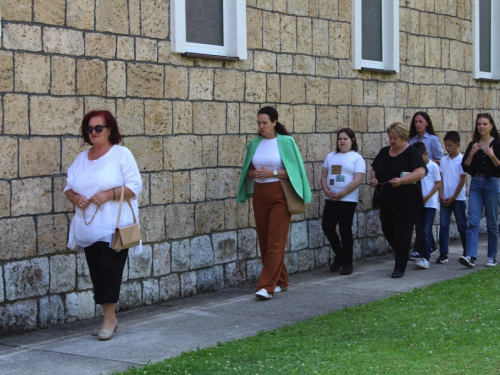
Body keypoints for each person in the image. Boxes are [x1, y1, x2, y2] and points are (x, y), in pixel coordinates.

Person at [64, 110, 142, 340]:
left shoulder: (121, 154)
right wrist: (75, 198)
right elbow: (68, 187)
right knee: (96, 272)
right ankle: (107, 317)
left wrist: (109, 194)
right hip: (88, 227)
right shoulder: (82, 158)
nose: (94, 132)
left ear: (110, 130)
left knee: (109, 272)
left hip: (113, 227)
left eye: (99, 128)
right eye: (89, 128)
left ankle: (109, 319)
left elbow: (135, 186)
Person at [237, 106, 311, 300]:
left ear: (274, 122)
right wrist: (257, 174)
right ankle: (281, 281)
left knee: (276, 242)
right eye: (259, 123)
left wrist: (272, 173)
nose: (261, 126)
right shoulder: (255, 143)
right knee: (264, 239)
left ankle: (266, 286)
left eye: (265, 123)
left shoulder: (286, 142)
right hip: (260, 194)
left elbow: (295, 171)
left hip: (280, 193)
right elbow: (249, 172)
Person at [371, 122, 427, 278]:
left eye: (395, 138)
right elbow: (374, 168)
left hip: (406, 201)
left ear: (403, 137)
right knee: (388, 229)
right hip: (386, 199)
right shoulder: (384, 152)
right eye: (390, 137)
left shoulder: (412, 153)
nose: (392, 141)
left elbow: (421, 172)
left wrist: (402, 181)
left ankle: (399, 266)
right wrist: (373, 179)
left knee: (403, 233)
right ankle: (402, 253)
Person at [321, 128, 365, 275]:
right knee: (327, 226)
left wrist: (341, 194)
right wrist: (326, 190)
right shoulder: (330, 156)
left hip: (347, 199)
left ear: (352, 140)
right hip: (331, 198)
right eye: (340, 139)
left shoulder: (357, 158)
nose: (342, 141)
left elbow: (357, 180)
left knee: (345, 230)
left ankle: (347, 263)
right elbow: (324, 175)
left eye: (345, 139)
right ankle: (339, 254)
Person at [460, 113, 500, 268]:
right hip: (476, 183)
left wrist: (491, 156)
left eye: (484, 124)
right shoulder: (473, 145)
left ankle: (491, 256)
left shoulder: (496, 144)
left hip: (492, 183)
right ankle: (470, 255)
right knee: (473, 220)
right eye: (479, 124)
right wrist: (471, 153)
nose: (481, 127)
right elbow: (465, 167)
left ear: (491, 126)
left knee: (491, 222)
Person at [408, 111, 444, 259]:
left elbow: (441, 159)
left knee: (425, 223)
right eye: (416, 122)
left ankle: (422, 250)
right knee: (420, 222)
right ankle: (430, 245)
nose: (418, 124)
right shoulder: (411, 140)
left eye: (421, 121)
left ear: (427, 122)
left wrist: (426, 160)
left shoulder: (433, 139)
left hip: (429, 177)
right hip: (416, 181)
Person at [437, 131, 467, 264]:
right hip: (445, 197)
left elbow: (462, 180)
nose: (447, 148)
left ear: (458, 144)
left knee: (462, 225)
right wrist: (441, 194)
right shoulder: (443, 160)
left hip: (458, 198)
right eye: (445, 145)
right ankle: (443, 253)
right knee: (444, 225)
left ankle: (468, 251)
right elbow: (441, 178)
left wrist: (454, 197)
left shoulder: (462, 160)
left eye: (450, 145)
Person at [412, 142, 441, 269]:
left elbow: (438, 183)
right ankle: (423, 251)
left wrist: (427, 197)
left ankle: (426, 257)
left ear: (426, 154)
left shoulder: (433, 166)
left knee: (427, 229)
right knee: (419, 229)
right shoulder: (414, 167)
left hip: (430, 204)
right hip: (417, 203)